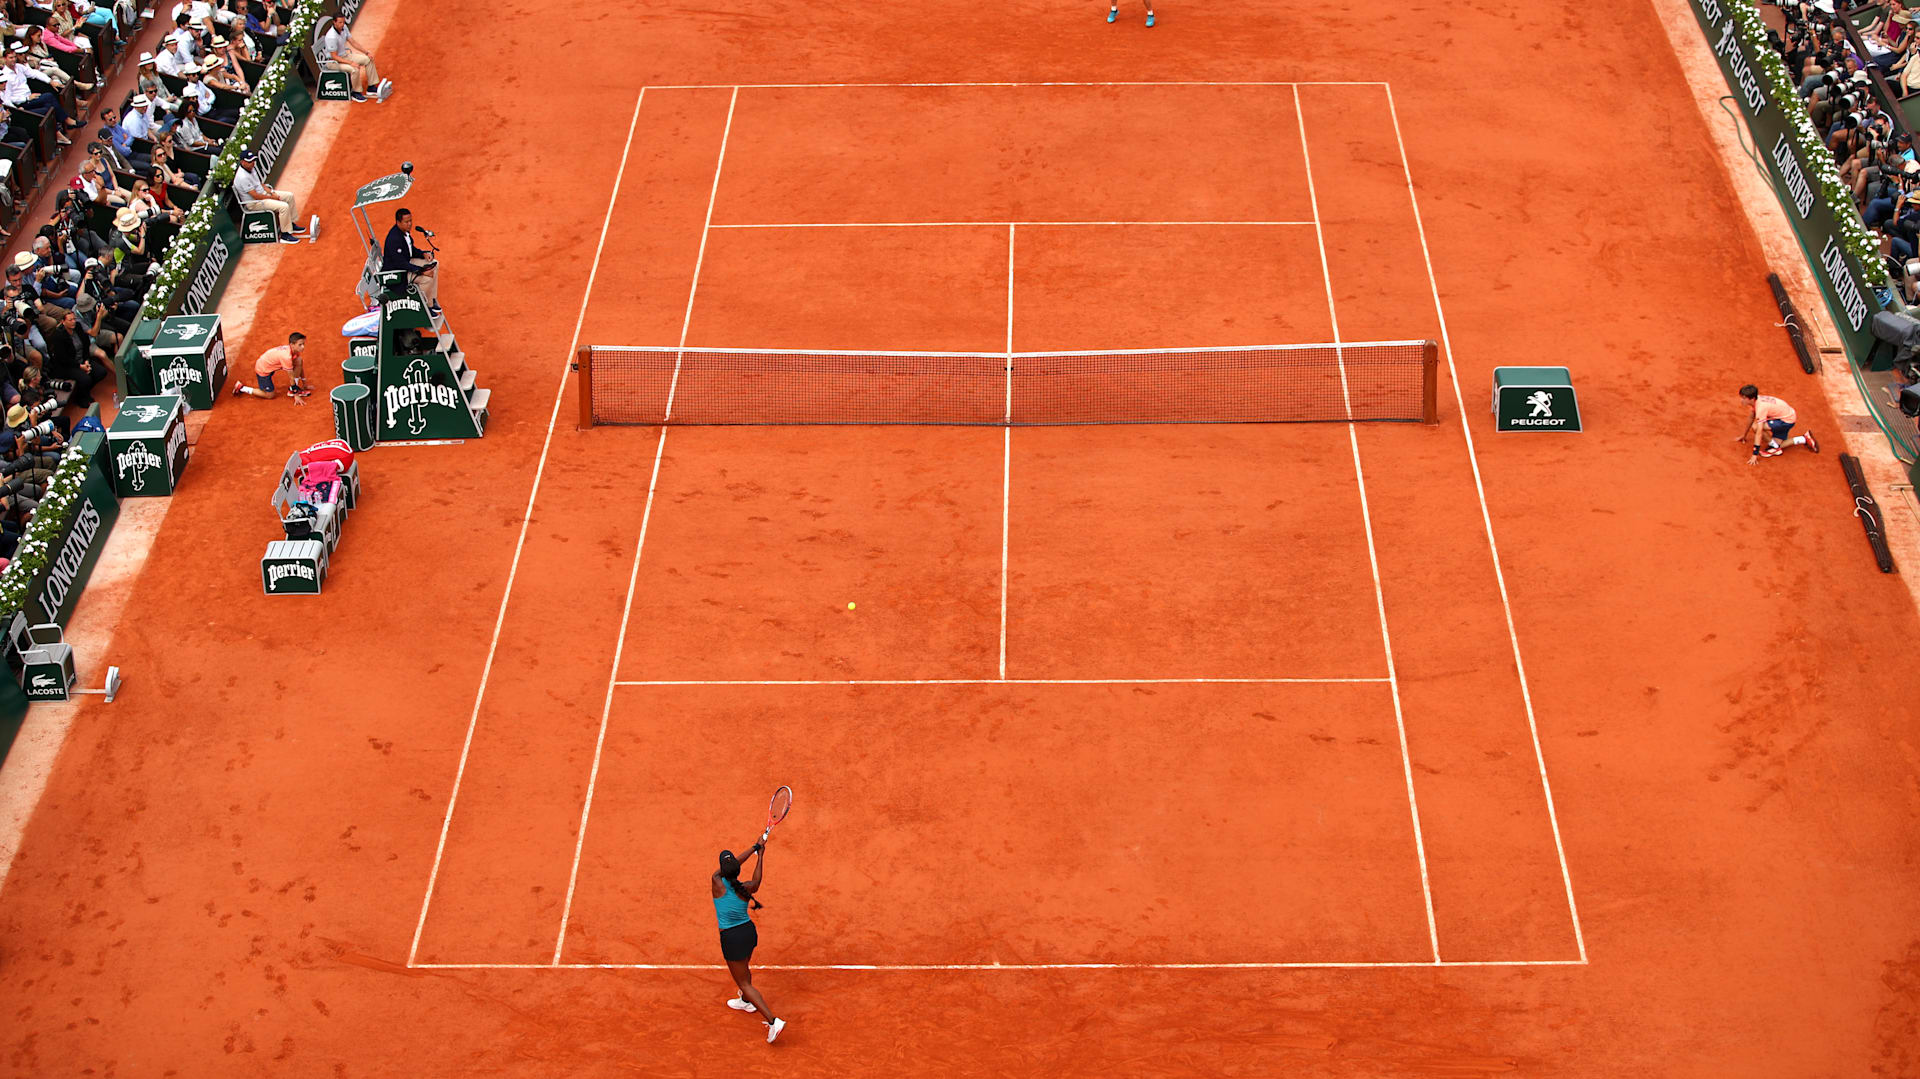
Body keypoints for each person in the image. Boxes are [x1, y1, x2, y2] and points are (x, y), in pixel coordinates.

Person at [712, 838, 785, 1044]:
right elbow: (756, 881)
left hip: (732, 938)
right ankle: (746, 1002)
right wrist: (759, 854)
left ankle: (773, 1021)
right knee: (744, 967)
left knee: (743, 982)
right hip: (748, 933)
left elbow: (733, 865)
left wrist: (753, 849)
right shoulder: (746, 889)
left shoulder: (717, 881)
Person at [231, 149, 310, 244]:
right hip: (254, 203)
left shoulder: (251, 168)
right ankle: (285, 235)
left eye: (253, 160)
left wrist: (272, 192)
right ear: (242, 162)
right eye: (249, 161)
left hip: (263, 196)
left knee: (289, 196)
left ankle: (291, 224)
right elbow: (256, 196)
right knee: (283, 207)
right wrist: (273, 198)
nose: (252, 163)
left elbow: (260, 184)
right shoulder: (242, 177)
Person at [1737, 385, 1820, 465]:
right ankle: (1804, 438)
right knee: (1778, 445)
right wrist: (1744, 435)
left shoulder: (1761, 407)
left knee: (1756, 427)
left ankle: (1775, 448)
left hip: (1785, 421)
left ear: (1752, 399)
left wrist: (1755, 454)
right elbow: (1751, 417)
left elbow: (1759, 431)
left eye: (1744, 398)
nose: (1741, 400)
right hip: (1787, 416)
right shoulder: (1757, 400)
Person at [382, 207, 439, 315]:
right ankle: (425, 307)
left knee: (434, 264)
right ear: (398, 222)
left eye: (410, 221)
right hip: (398, 273)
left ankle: (431, 300)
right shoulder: (394, 239)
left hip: (406, 263)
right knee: (426, 279)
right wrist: (421, 271)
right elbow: (400, 263)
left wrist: (423, 254)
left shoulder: (403, 232)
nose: (410, 224)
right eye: (406, 222)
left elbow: (410, 249)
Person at [319, 14, 387, 102]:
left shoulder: (344, 28)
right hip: (333, 62)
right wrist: (351, 63)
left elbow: (353, 42)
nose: (342, 24)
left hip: (345, 56)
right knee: (354, 69)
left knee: (368, 59)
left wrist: (366, 52)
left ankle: (371, 87)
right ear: (334, 22)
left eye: (343, 22)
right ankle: (356, 92)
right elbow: (334, 56)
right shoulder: (331, 36)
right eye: (340, 22)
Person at [233, 331, 310, 400]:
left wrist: (304, 383)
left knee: (298, 361)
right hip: (263, 369)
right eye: (300, 345)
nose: (303, 347)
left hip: (269, 364)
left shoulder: (294, 351)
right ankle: (241, 388)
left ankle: (293, 389)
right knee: (270, 395)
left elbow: (300, 365)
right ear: (292, 345)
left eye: (303, 344)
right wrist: (295, 394)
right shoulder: (286, 357)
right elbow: (291, 377)